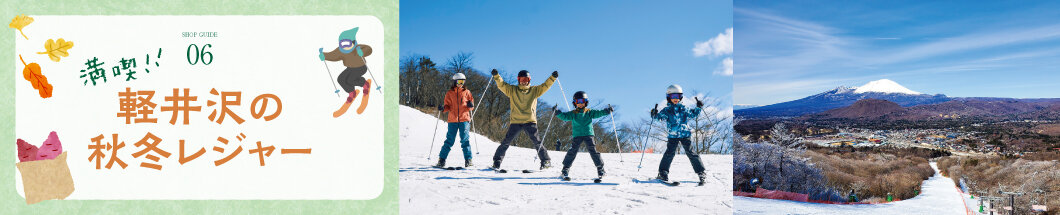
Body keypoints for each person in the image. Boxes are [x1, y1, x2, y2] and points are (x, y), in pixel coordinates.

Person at [490, 69, 558, 170]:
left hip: (529, 121)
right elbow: (502, 85)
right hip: (516, 121)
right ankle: (497, 161)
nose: (524, 81)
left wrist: (552, 78)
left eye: (526, 79)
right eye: (521, 79)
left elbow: (545, 86)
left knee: (537, 141)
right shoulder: (512, 90)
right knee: (506, 141)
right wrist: (496, 76)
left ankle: (546, 161)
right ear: (518, 80)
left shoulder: (534, 90)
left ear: (529, 80)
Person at [650, 84, 707, 185]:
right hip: (673, 135)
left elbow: (693, 114)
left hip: (685, 134)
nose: (675, 99)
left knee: (691, 153)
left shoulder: (684, 109)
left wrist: (698, 107)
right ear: (669, 97)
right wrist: (654, 114)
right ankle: (663, 173)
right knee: (669, 154)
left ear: (680, 97)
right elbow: (659, 117)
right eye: (673, 97)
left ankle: (701, 173)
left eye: (677, 96)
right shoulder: (667, 110)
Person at [554, 91, 612, 179]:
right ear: (575, 103)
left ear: (586, 102)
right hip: (577, 135)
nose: (580, 104)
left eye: (582, 101)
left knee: (593, 151)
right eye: (578, 102)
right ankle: (565, 169)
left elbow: (599, 113)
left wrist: (607, 111)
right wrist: (558, 113)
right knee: (572, 151)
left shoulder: (589, 112)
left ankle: (600, 169)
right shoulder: (573, 113)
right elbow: (565, 116)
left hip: (588, 134)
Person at [319, 27, 373, 103]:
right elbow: (333, 55)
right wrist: (324, 56)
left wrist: (362, 52)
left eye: (347, 43)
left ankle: (364, 84)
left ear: (353, 42)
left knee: (350, 80)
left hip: (361, 67)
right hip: (350, 68)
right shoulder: (341, 50)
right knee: (341, 79)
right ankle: (351, 92)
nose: (345, 46)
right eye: (342, 44)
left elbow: (369, 49)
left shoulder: (357, 48)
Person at [434, 73, 475, 168]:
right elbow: (447, 106)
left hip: (464, 119)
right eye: (459, 81)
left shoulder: (467, 92)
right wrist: (442, 108)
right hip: (452, 120)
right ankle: (441, 160)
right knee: (449, 140)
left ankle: (468, 160)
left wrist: (471, 105)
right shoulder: (449, 93)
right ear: (454, 82)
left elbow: (471, 104)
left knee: (465, 140)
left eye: (463, 82)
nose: (461, 83)